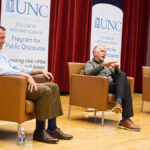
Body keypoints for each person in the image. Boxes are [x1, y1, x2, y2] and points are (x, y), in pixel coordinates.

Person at [0, 26, 73, 143]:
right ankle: (39, 132)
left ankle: (52, 128)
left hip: (18, 85)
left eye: (4, 37)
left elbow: (18, 67)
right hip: (11, 88)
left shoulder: (2, 56)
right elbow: (2, 70)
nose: (4, 41)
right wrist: (26, 76)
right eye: (1, 38)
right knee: (45, 92)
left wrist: (40, 71)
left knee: (53, 86)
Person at [84, 45, 141, 132]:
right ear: (95, 53)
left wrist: (116, 69)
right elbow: (88, 73)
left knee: (122, 75)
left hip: (112, 85)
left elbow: (116, 76)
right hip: (101, 86)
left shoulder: (107, 65)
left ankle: (119, 103)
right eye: (102, 51)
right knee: (126, 86)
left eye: (105, 52)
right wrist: (102, 65)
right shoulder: (90, 63)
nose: (104, 53)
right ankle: (125, 119)